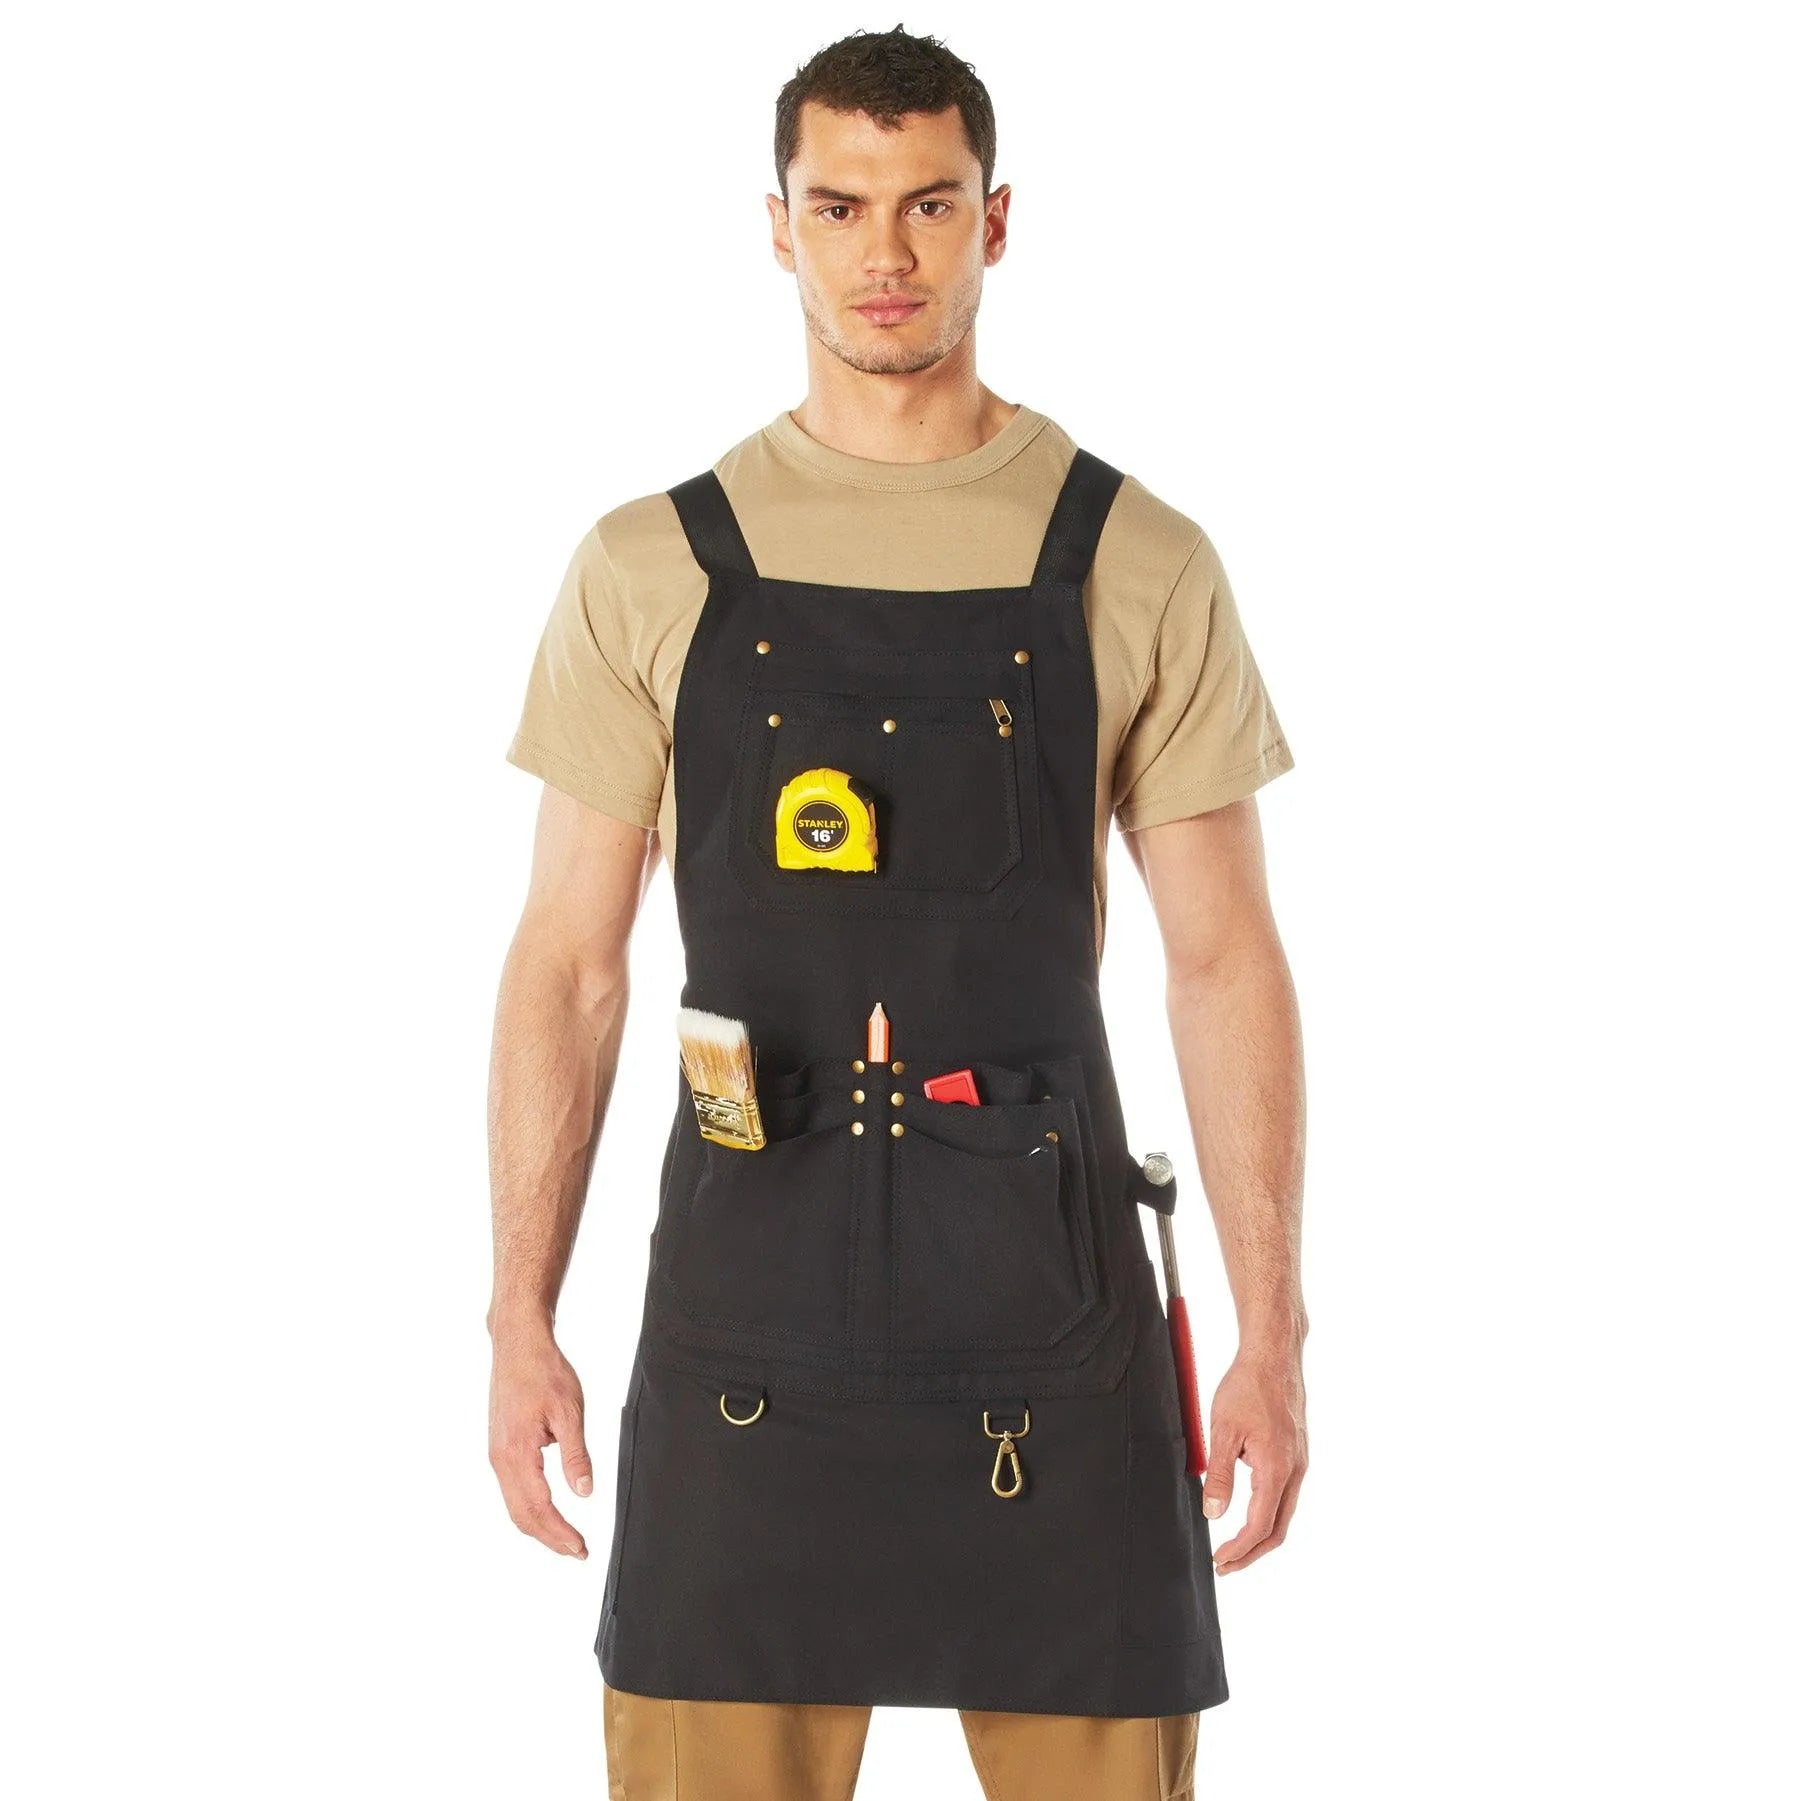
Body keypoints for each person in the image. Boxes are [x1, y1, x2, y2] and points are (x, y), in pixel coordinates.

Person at [487, 26, 1308, 1800]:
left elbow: (1224, 959)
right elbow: (568, 966)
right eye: (840, 205)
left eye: (930, 204)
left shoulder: (1140, 559)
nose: (885, 252)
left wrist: (1275, 1329)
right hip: (742, 1341)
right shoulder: (649, 566)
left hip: (1060, 1335)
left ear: (996, 221)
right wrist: (514, 1314)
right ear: (775, 225)